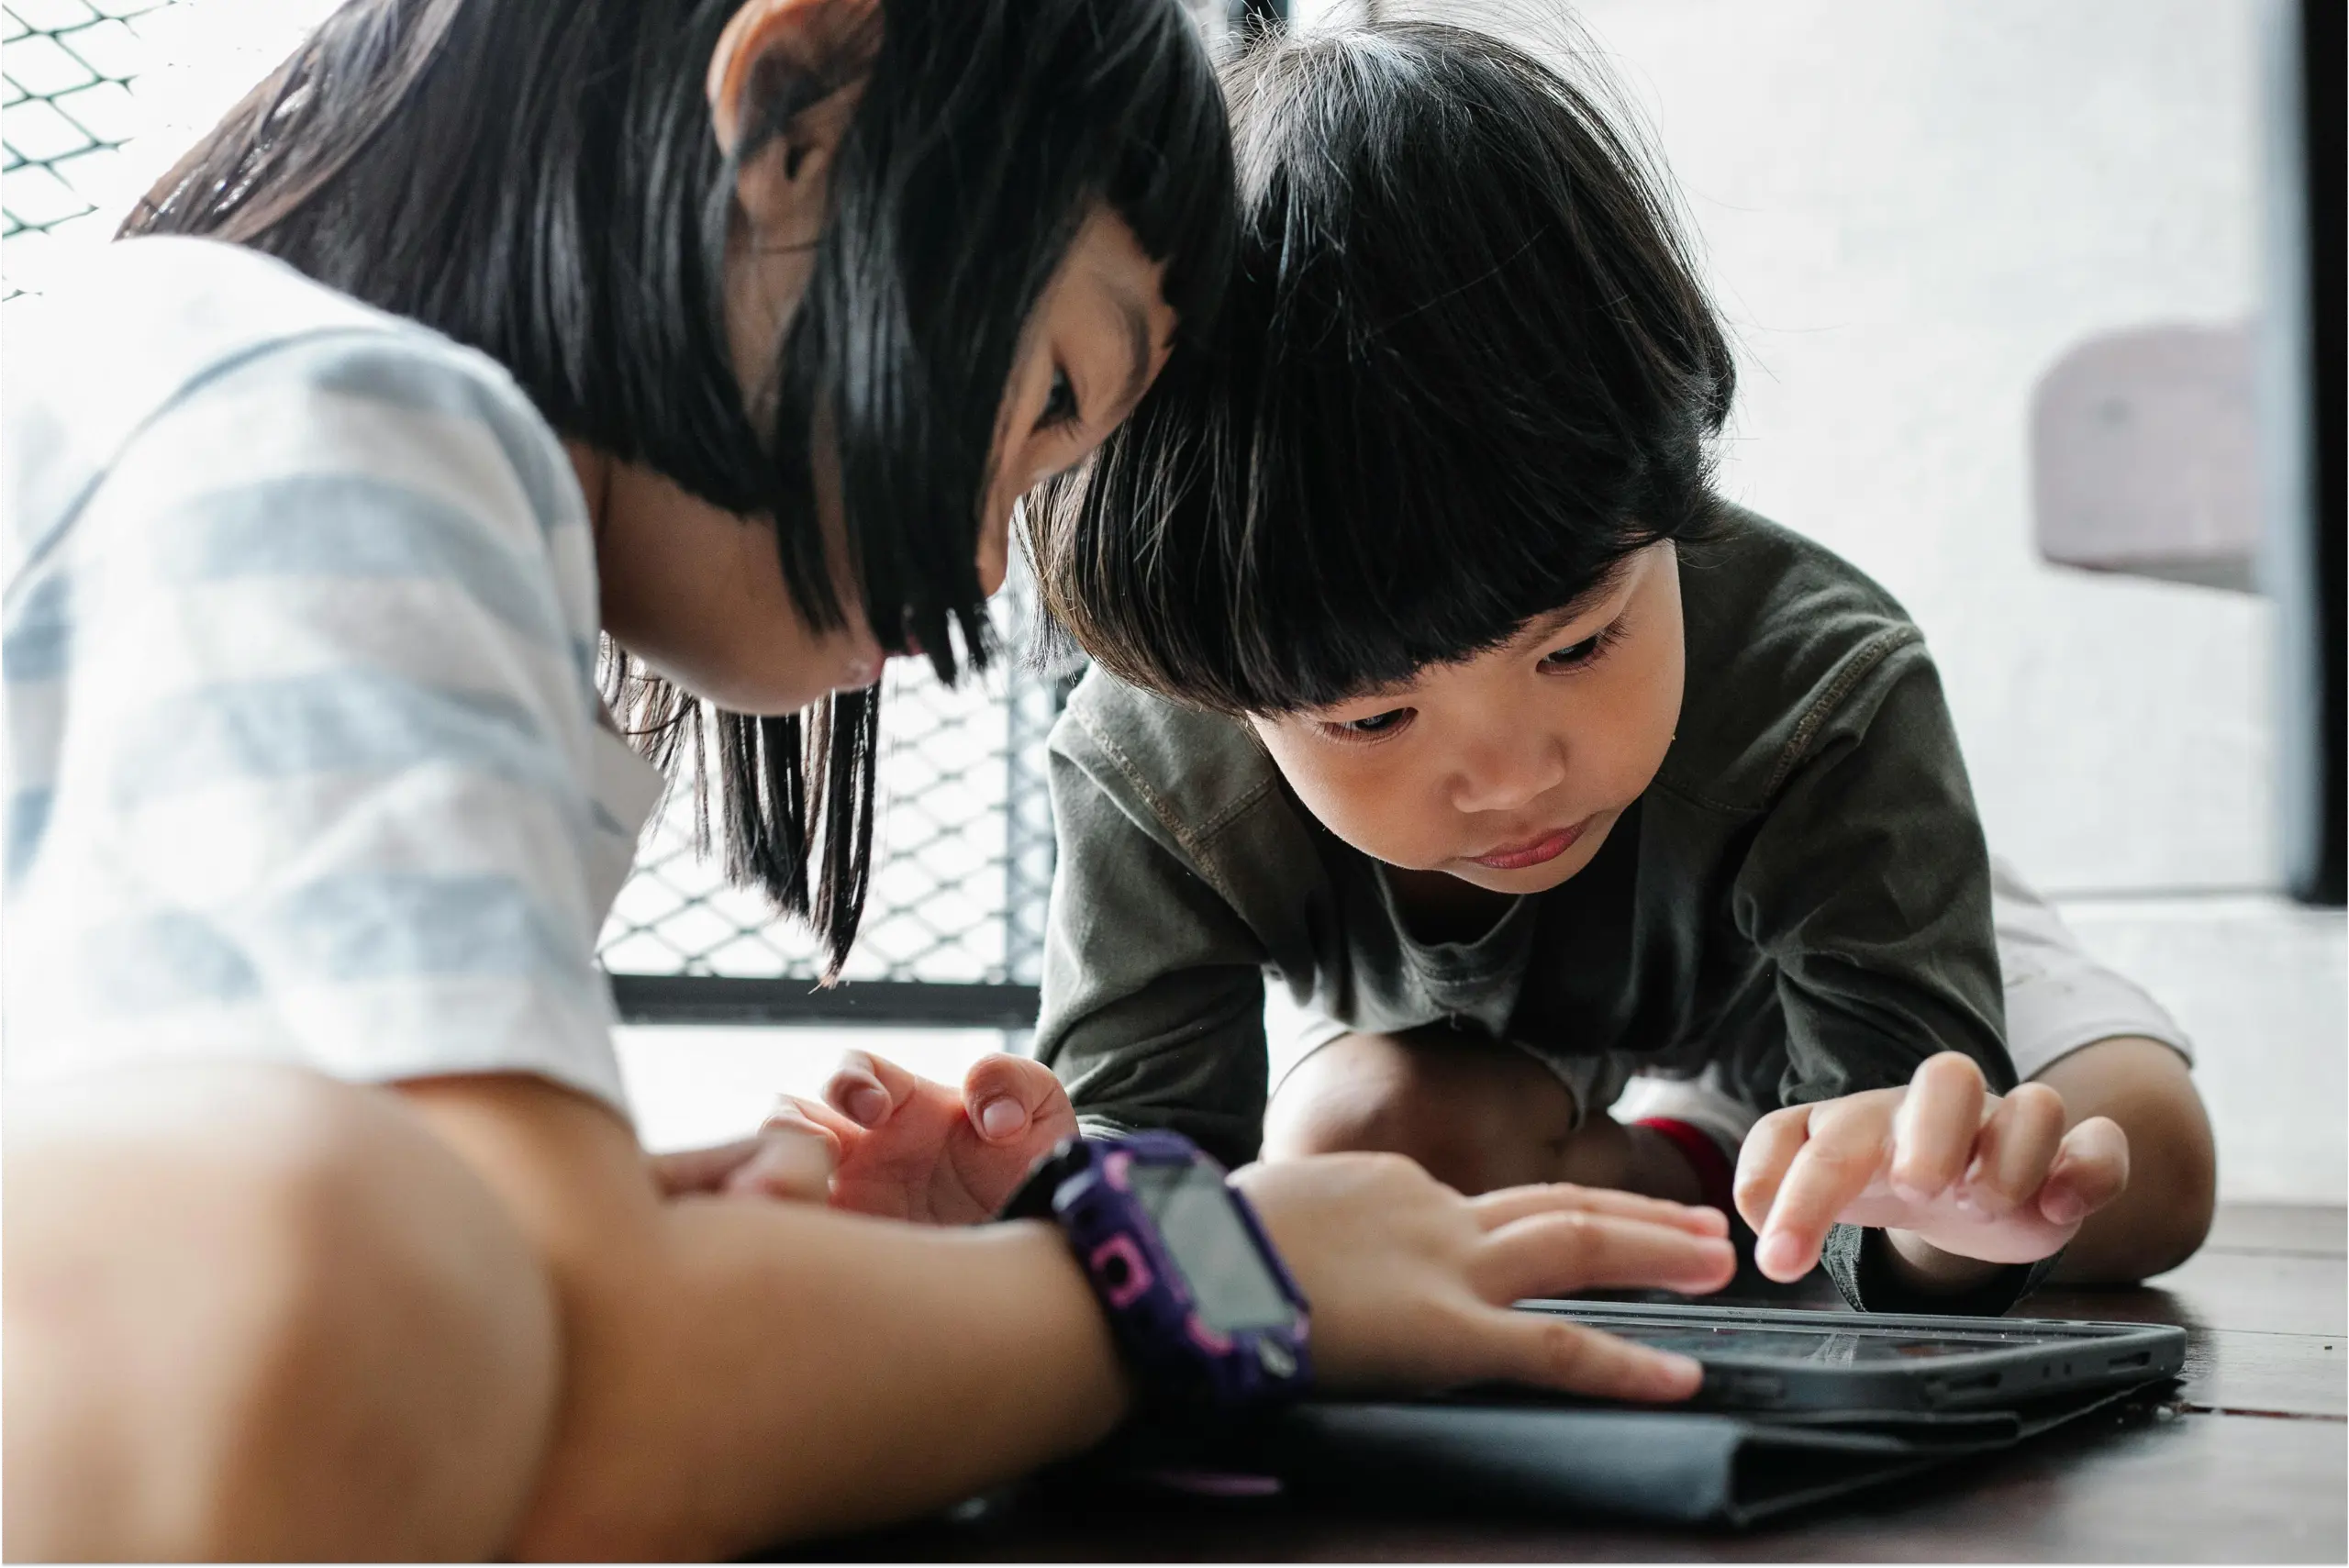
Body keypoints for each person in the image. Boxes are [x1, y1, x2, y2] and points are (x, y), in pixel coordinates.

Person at [0, 4, 1743, 1560]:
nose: (990, 563)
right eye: (1049, 396)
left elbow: (505, 1342)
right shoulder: (336, 432)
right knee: (349, 1239)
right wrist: (1230, 1282)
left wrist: (807, 1286)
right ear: (801, 114)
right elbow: (579, 1413)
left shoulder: (245, 414)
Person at [800, 19, 2216, 1315]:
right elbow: (1154, 1154)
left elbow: (1899, 1134)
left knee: (2127, 1157)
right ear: (1221, 693)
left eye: (1583, 641)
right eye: (1370, 716)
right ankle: (1677, 1171)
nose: (1514, 771)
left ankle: (1724, 1168)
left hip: (1845, 967)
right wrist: (1045, 1195)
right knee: (1355, 1141)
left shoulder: (1824, 694)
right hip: (1507, 1067)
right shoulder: (1157, 769)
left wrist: (1938, 1216)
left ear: (1675, 505)